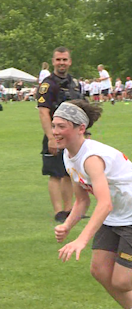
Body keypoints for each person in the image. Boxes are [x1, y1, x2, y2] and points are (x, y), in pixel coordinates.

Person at [52, 100, 132, 308]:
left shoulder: (92, 158)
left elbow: (104, 204)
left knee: (123, 281)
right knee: (100, 270)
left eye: (62, 126)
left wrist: (81, 240)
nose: (55, 131)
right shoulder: (69, 155)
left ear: (81, 128)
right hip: (117, 216)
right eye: (54, 125)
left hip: (128, 216)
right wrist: (67, 226)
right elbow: (82, 200)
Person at [37, 46, 82, 223]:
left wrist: (85, 133)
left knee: (69, 172)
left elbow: (81, 109)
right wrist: (51, 137)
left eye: (65, 59)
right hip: (55, 133)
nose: (61, 63)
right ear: (53, 61)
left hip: (73, 135)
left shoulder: (75, 83)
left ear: (70, 61)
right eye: (58, 60)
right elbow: (43, 112)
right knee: (55, 173)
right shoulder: (48, 84)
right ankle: (58, 212)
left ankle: (69, 209)